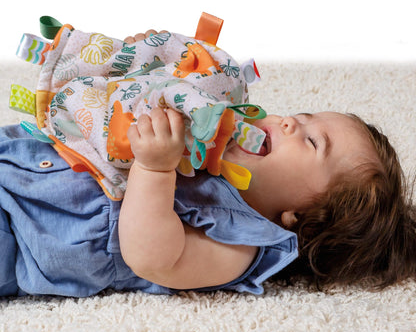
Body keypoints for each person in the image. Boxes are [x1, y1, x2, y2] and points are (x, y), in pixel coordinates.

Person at [1, 31, 414, 297]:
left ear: (302, 214)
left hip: (29, 235)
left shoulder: (240, 244)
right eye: (301, 116)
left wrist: (156, 169)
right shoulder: (210, 135)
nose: (288, 121)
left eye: (310, 141)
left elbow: (152, 258)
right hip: (23, 155)